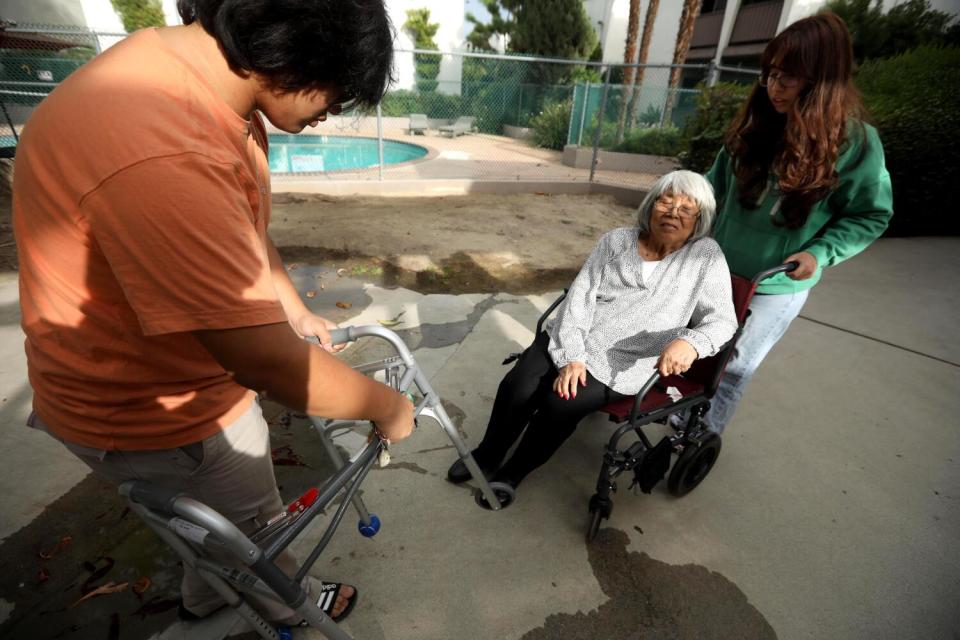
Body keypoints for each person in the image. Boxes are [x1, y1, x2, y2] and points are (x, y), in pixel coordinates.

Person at [12, 0, 413, 626]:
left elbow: (240, 223)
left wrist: (289, 306)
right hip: (158, 408)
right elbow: (271, 366)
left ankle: (212, 596)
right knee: (255, 534)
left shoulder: (194, 78)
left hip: (128, 372)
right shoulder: (167, 148)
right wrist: (390, 408)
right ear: (299, 51)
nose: (331, 112)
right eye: (335, 95)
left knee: (210, 534)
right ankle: (286, 607)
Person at [446, 170, 738, 493]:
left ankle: (515, 471)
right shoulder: (616, 241)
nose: (673, 212)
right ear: (650, 205)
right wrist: (572, 356)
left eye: (686, 208)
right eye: (666, 201)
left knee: (560, 403)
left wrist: (692, 342)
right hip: (572, 335)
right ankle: (487, 456)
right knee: (518, 385)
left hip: (623, 363)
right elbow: (579, 298)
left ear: (699, 219)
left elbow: (724, 320)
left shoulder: (706, 258)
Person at [703, 12, 893, 434]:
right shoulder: (759, 126)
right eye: (770, 74)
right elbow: (712, 186)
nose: (774, 87)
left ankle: (702, 437)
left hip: (775, 283)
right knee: (699, 353)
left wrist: (821, 252)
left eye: (788, 77)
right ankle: (684, 414)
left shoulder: (857, 144)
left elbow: (870, 214)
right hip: (718, 269)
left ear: (822, 80)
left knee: (733, 367)